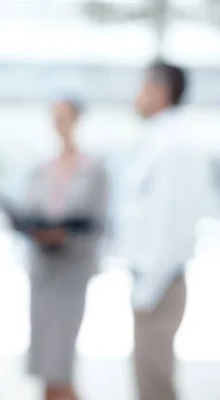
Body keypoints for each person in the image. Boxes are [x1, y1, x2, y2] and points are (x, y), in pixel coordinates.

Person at [127, 60, 212, 400]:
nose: (136, 96)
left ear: (160, 92)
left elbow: (170, 224)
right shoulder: (161, 139)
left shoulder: (174, 145)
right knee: (148, 378)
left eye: (142, 87)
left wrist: (147, 289)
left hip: (159, 283)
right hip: (152, 280)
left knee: (155, 383)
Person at [21, 98, 109, 400]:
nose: (59, 123)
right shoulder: (41, 167)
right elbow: (29, 210)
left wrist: (65, 235)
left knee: (61, 361)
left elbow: (98, 221)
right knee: (45, 361)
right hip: (43, 269)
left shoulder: (94, 168)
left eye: (65, 117)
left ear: (77, 120)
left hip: (72, 269)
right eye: (54, 117)